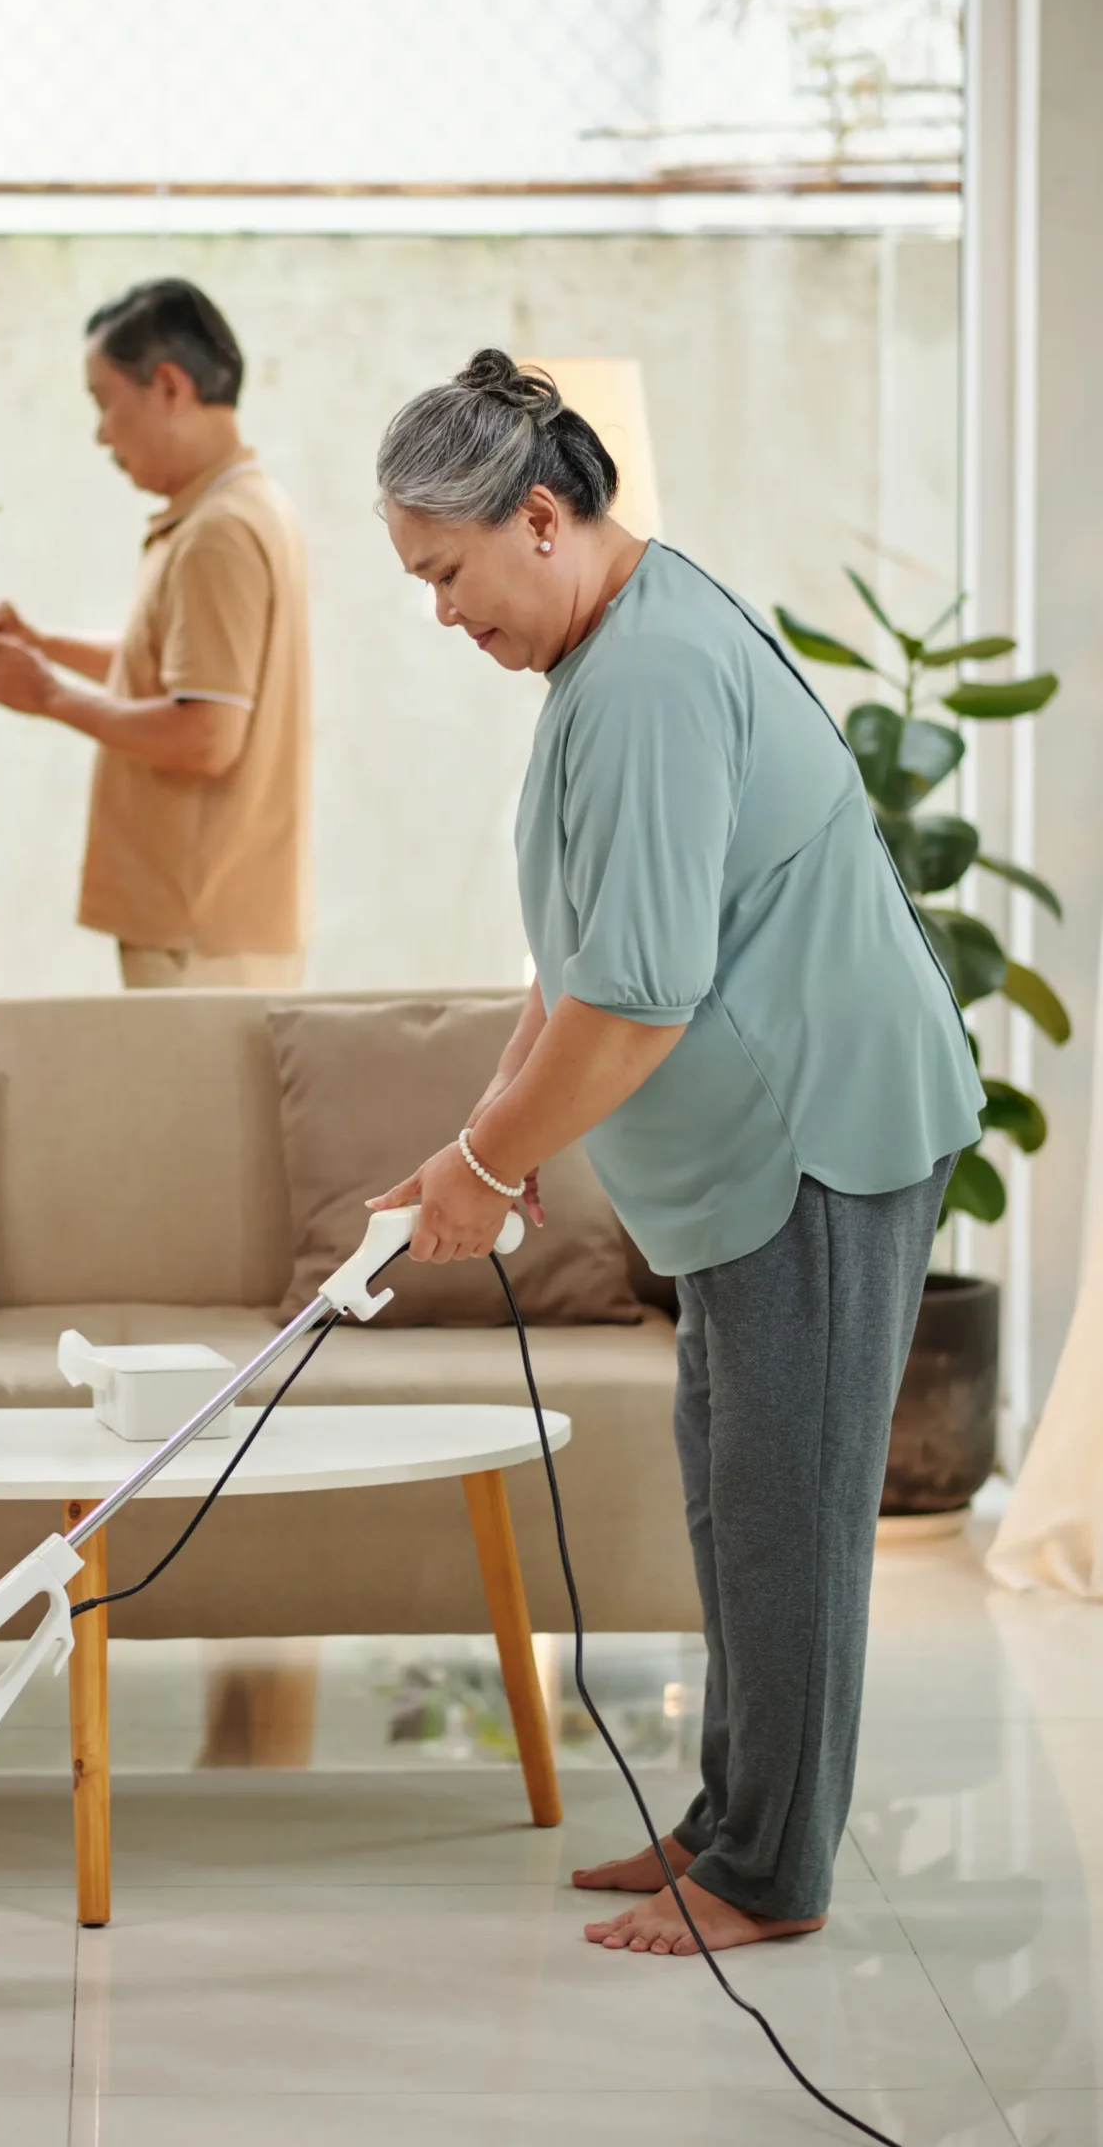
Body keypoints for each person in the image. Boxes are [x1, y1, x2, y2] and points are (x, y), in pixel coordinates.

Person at [369, 349, 983, 1958]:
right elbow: (574, 958)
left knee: (786, 1509)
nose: (441, 613)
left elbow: (633, 1005)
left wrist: (487, 1171)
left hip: (817, 1138)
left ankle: (770, 1876)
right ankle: (727, 1822)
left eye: (446, 574)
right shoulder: (606, 644)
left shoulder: (638, 678)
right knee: (734, 1501)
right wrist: (469, 1145)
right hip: (749, 1161)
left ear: (542, 519)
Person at [0, 277, 310, 987]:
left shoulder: (218, 533)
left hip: (199, 933)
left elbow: (205, 732)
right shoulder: (238, 508)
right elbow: (191, 675)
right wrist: (41, 645)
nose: (100, 433)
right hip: (208, 924)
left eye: (103, 401)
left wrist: (48, 696)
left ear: (168, 387)